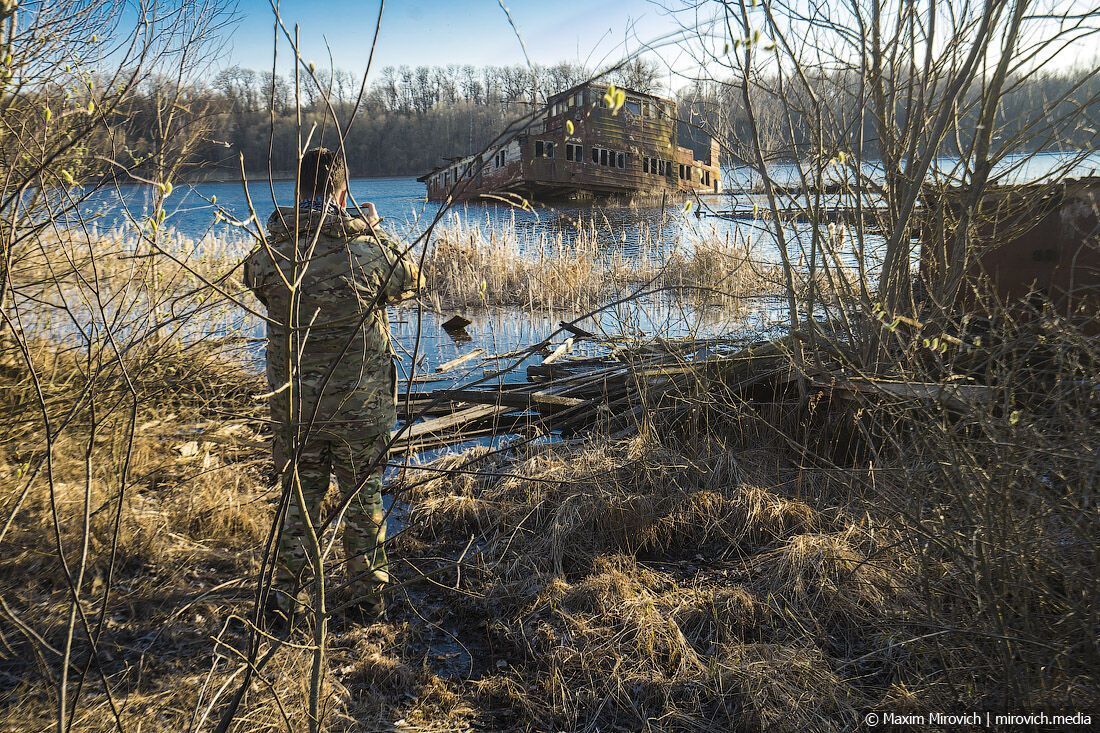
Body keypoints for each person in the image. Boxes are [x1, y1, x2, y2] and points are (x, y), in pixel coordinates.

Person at [243, 147, 423, 625]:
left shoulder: (274, 251)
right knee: (363, 502)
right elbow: (411, 280)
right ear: (342, 190)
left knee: (299, 500)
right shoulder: (367, 249)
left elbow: (253, 278)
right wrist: (372, 227)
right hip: (359, 408)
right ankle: (367, 599)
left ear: (298, 189)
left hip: (296, 408)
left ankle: (284, 600)